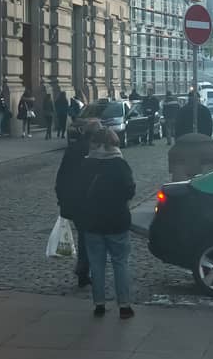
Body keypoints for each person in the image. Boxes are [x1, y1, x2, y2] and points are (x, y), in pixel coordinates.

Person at [75, 127, 136, 318]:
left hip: (92, 221)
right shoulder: (119, 164)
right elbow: (129, 190)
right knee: (120, 263)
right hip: (117, 220)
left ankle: (99, 304)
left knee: (96, 264)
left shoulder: (86, 164)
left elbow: (78, 191)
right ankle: (124, 305)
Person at [55, 121, 96, 288]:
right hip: (89, 200)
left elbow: (62, 176)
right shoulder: (94, 151)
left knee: (84, 236)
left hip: (74, 200)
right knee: (91, 237)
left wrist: (62, 198)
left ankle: (83, 269)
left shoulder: (72, 149)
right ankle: (86, 269)